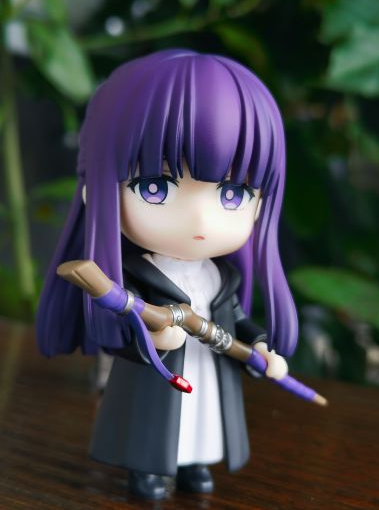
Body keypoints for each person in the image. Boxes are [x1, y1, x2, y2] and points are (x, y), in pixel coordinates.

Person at [36, 49, 298, 500]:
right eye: (154, 187)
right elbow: (117, 326)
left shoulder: (220, 278)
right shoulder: (132, 277)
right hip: (154, 383)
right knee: (155, 423)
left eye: (233, 193)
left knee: (203, 422)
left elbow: (236, 319)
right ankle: (148, 469)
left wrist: (259, 347)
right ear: (95, 190)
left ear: (260, 204)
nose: (200, 220)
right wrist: (151, 338)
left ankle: (195, 464)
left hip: (208, 371)